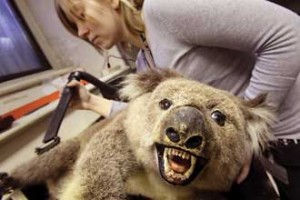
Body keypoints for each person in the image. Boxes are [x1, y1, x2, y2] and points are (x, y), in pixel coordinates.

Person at [54, 0, 300, 199]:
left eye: (81, 15)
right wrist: (90, 103)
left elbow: (289, 33)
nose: (82, 32)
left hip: (288, 145)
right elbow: (142, 117)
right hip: (248, 165)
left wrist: (244, 133)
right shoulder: (144, 62)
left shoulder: (164, 10)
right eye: (74, 28)